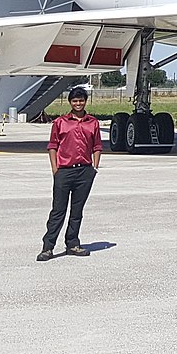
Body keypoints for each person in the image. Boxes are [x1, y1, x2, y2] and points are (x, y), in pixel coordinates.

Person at [38, 87, 102, 261]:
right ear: (70, 102)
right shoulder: (60, 122)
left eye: (81, 100)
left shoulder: (93, 123)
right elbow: (52, 146)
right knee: (58, 210)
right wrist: (55, 169)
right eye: (75, 101)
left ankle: (72, 243)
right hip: (64, 171)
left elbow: (97, 146)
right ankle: (48, 246)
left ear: (85, 101)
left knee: (77, 210)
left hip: (84, 172)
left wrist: (94, 168)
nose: (78, 103)